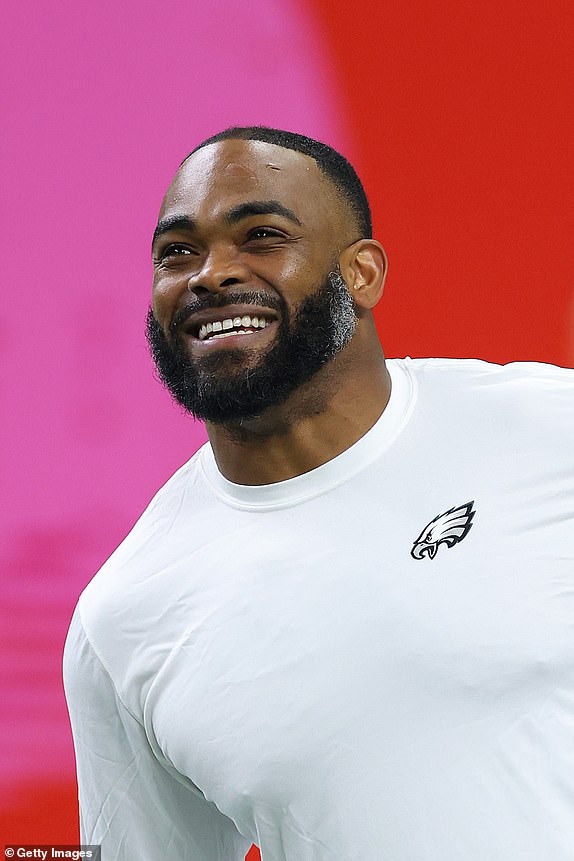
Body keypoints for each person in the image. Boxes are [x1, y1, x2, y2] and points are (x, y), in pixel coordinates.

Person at [64, 127, 574, 861]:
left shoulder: (550, 429)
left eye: (261, 236)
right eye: (177, 252)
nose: (211, 274)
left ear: (362, 273)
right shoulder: (123, 618)